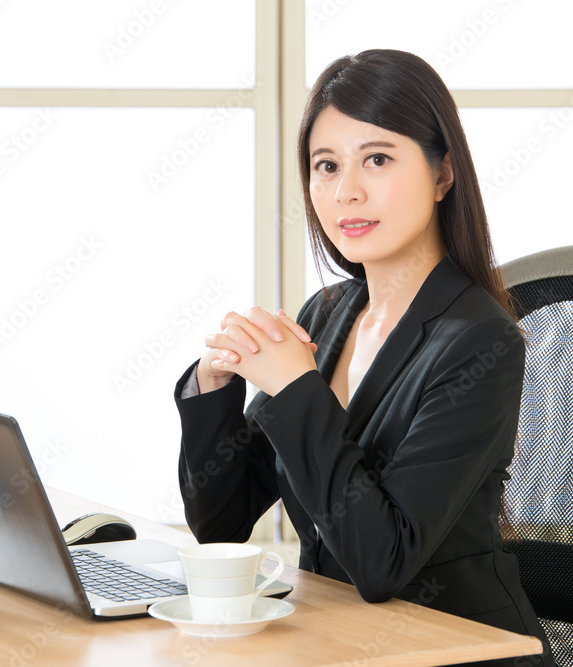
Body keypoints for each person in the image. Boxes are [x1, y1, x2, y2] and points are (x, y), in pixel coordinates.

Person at [174, 49, 553, 666]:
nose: (346, 191)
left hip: (451, 649)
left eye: (376, 159)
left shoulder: (480, 341)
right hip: (336, 642)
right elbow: (223, 523)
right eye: (326, 166)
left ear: (442, 174)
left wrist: (296, 391)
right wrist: (214, 388)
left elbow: (383, 563)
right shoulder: (325, 315)